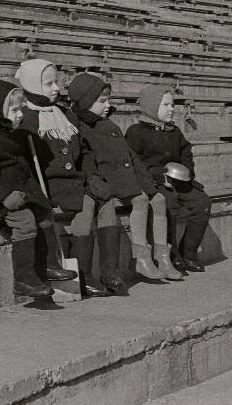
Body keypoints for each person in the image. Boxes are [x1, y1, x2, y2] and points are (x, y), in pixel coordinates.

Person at [0, 78, 74, 298]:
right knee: (25, 220)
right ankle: (24, 278)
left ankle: (48, 265)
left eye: (21, 108)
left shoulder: (6, 132)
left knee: (44, 214)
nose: (20, 114)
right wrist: (3, 196)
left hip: (14, 192)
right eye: (14, 109)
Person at [67, 72, 184, 294]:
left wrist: (149, 184)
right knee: (140, 200)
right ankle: (141, 256)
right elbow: (86, 160)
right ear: (85, 101)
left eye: (108, 100)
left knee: (158, 199)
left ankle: (163, 256)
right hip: (109, 180)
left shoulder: (108, 124)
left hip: (128, 175)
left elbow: (131, 158)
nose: (107, 105)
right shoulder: (80, 127)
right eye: (102, 101)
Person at [15, 58, 108, 297]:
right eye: (49, 84)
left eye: (56, 82)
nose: (57, 88)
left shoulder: (66, 115)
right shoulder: (24, 119)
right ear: (32, 84)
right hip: (46, 186)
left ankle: (85, 273)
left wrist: (92, 176)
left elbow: (85, 151)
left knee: (92, 202)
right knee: (72, 210)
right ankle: (58, 270)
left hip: (75, 182)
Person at [125, 86, 213, 273]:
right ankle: (171, 255)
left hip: (179, 181)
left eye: (172, 104)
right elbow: (135, 162)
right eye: (166, 104)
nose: (171, 108)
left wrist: (187, 171)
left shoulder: (175, 131)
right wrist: (157, 174)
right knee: (169, 203)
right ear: (151, 106)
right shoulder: (136, 132)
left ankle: (188, 252)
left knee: (202, 201)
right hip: (155, 181)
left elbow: (186, 153)